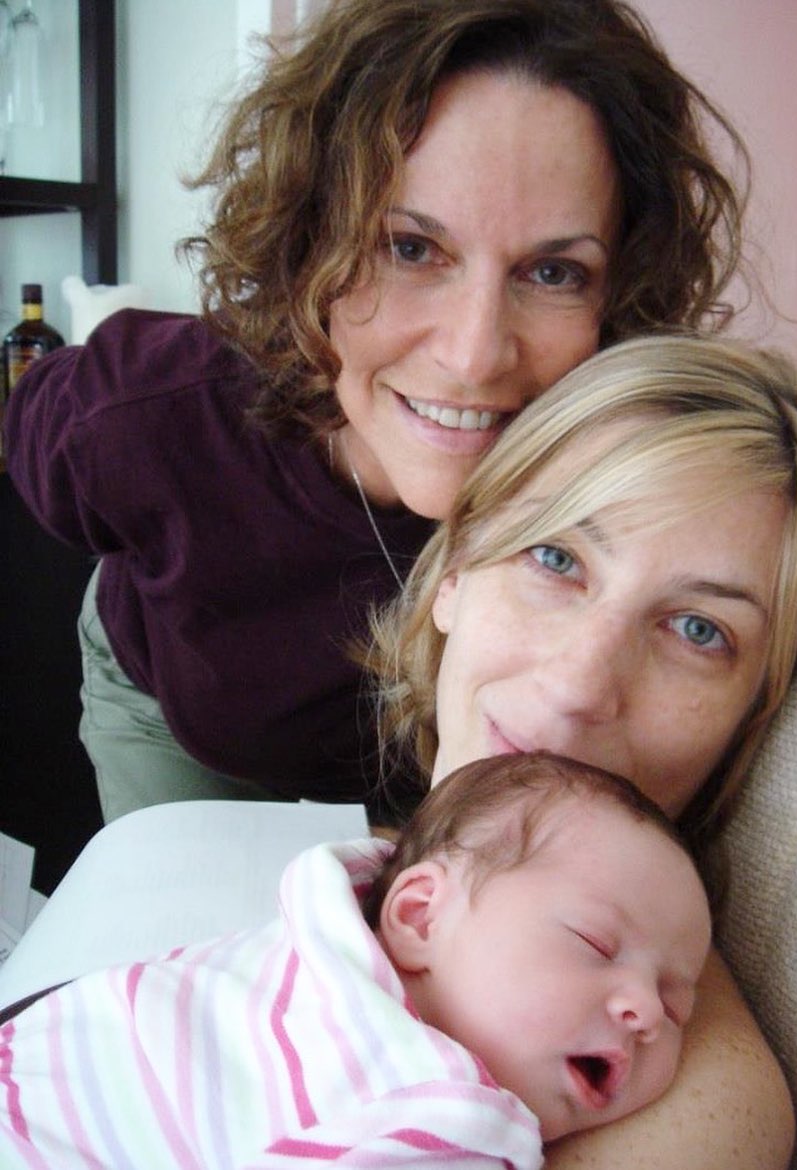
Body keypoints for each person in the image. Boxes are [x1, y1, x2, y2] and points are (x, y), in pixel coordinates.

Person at [1, 0, 746, 827]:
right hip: (174, 717)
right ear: (308, 244)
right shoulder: (146, 416)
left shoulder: (613, 475)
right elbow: (38, 419)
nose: (473, 356)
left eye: (553, 273)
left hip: (389, 776)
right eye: (409, 248)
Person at [364, 332, 797, 1166]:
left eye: (697, 630)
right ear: (456, 573)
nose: (578, 685)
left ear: (752, 717)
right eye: (555, 558)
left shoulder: (692, 1105)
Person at [0, 752, 711, 1167]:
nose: (648, 1012)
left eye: (678, 1005)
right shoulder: (452, 1118)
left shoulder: (319, 921)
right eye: (595, 945)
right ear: (419, 914)